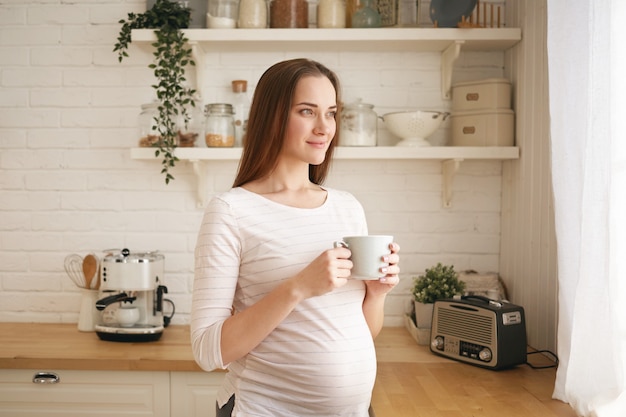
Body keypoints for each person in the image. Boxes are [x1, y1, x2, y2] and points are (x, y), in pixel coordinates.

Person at [191, 58, 401, 417]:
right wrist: (298, 287)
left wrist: (376, 296)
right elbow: (209, 351)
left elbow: (359, 332)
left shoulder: (347, 208)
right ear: (272, 116)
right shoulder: (231, 211)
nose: (324, 127)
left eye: (331, 113)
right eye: (308, 111)